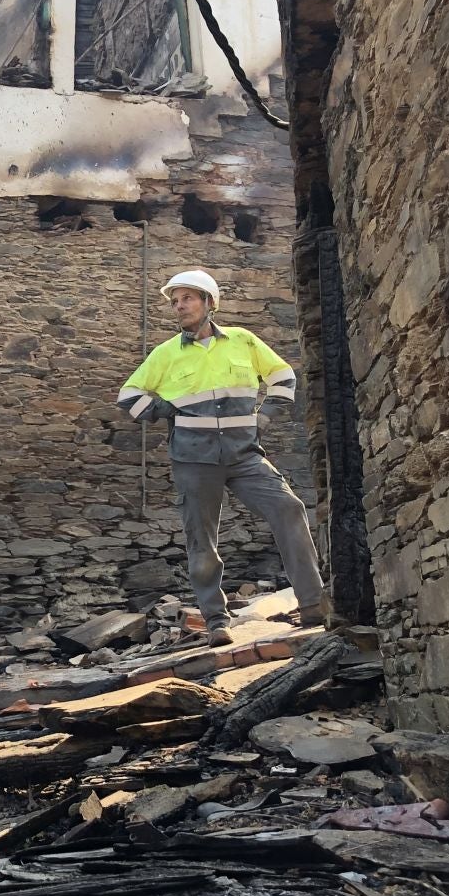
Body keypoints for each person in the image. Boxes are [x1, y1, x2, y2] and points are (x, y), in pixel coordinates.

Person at [117, 268, 326, 643]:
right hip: (193, 462)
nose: (179, 307)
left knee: (289, 508)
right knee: (202, 541)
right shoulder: (165, 354)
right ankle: (216, 622)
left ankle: (313, 604)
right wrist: (170, 410)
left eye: (188, 298)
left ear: (209, 303)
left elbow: (283, 376)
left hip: (245, 455)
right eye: (175, 301)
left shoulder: (243, 341)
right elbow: (128, 398)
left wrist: (265, 417)